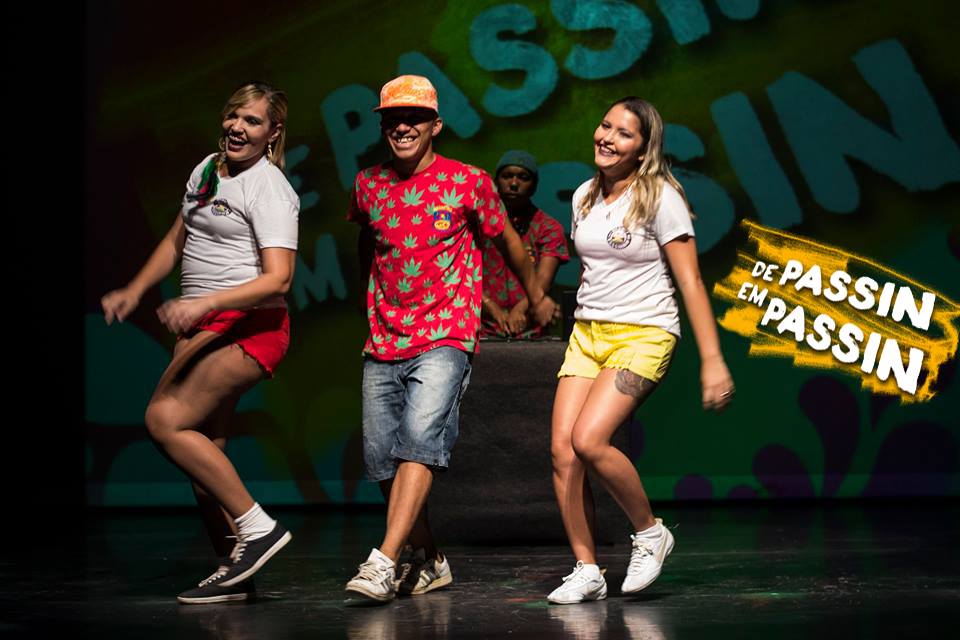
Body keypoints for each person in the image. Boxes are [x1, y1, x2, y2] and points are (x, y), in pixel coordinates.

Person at [344, 75, 557, 603]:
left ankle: (383, 560)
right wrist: (366, 304)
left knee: (419, 439)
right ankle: (431, 559)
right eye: (393, 119)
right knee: (380, 460)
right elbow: (367, 244)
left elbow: (508, 242)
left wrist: (535, 295)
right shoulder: (368, 183)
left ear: (435, 125)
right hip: (384, 338)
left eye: (414, 118)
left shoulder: (468, 181)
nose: (402, 127)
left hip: (446, 332)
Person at [100, 81, 299, 605]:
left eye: (252, 121)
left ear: (273, 132)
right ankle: (235, 572)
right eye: (234, 115)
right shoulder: (208, 169)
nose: (238, 127)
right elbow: (177, 237)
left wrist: (204, 304)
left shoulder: (270, 188)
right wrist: (135, 290)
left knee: (164, 420)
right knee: (204, 460)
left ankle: (258, 528)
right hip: (206, 325)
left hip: (248, 326)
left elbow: (279, 279)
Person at [546, 96, 735, 604]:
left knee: (589, 440)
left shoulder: (660, 197)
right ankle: (587, 569)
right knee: (563, 452)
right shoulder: (584, 195)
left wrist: (713, 360)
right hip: (588, 334)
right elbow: (594, 270)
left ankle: (650, 532)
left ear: (643, 148)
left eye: (623, 133)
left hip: (644, 332)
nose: (607, 138)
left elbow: (691, 280)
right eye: (605, 126)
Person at [480, 150, 569, 339]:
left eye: (523, 177)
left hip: (531, 332)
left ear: (534, 186)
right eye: (507, 176)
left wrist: (520, 309)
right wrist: (492, 309)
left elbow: (543, 278)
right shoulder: (478, 224)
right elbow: (464, 275)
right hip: (482, 330)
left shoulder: (548, 227)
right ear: (496, 181)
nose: (514, 184)